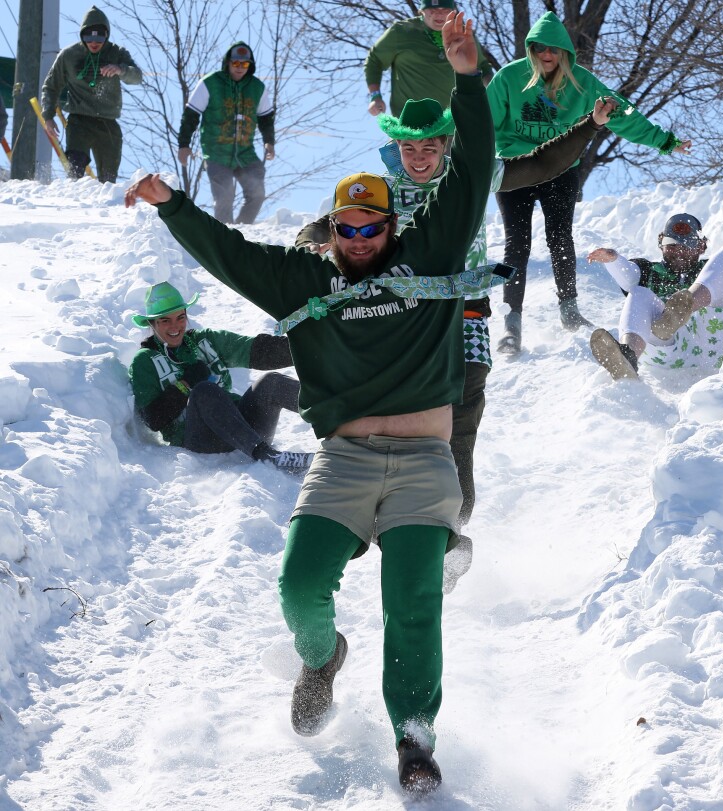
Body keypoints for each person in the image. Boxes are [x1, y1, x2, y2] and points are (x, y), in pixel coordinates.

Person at [125, 12, 496, 794]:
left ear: (393, 226)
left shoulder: (429, 253)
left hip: (425, 462)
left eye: (371, 224)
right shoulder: (306, 281)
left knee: (414, 604)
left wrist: (466, 80)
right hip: (345, 459)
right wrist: (172, 203)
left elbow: (471, 172)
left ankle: (413, 734)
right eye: (345, 226)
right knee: (299, 583)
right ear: (330, 232)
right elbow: (231, 255)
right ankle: (324, 657)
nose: (358, 235)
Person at [295, 94, 617, 592]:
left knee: (460, 421)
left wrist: (589, 126)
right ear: (397, 147)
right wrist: (309, 243)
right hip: (402, 323)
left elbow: (540, 164)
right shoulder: (382, 188)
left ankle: (453, 529)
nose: (420, 158)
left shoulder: (471, 175)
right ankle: (392, 523)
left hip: (464, 314)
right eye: (409, 149)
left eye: (429, 147)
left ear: (446, 144)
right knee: (404, 423)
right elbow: (328, 222)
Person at [487, 11, 692, 351]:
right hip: (516, 166)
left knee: (559, 237)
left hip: (560, 170)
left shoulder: (584, 83)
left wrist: (664, 141)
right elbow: (481, 120)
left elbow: (623, 115)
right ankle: (512, 320)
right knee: (516, 243)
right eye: (539, 49)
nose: (546, 55)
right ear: (531, 51)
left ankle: (569, 310)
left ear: (565, 52)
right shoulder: (510, 77)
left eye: (554, 50)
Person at [587, 210, 723, 379]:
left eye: (689, 245)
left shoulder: (716, 272)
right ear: (661, 244)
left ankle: (686, 304)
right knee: (638, 293)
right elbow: (628, 277)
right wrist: (613, 260)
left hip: (713, 345)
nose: (680, 251)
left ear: (702, 246)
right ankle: (628, 357)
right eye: (672, 245)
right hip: (666, 351)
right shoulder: (648, 271)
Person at [129, 281, 310, 469]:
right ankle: (269, 457)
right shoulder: (144, 361)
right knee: (203, 390)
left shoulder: (204, 340)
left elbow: (258, 351)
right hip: (201, 441)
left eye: (180, 317)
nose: (175, 326)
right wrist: (185, 384)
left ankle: (338, 416)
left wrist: (313, 348)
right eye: (165, 320)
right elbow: (152, 419)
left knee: (271, 382)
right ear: (152, 323)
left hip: (244, 430)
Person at [40, 5, 142, 183]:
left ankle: (104, 207)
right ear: (82, 35)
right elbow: (50, 86)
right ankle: (73, 200)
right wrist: (48, 116)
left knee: (109, 179)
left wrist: (120, 69)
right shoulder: (69, 56)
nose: (94, 43)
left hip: (108, 123)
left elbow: (137, 77)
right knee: (75, 169)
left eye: (100, 38)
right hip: (79, 120)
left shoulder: (116, 53)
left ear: (106, 36)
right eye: (88, 37)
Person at [177, 42, 275, 225]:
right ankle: (225, 237)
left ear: (250, 65)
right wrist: (184, 144)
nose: (239, 68)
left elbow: (266, 118)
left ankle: (242, 234)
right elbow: (190, 115)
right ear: (228, 63)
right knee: (225, 197)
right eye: (236, 63)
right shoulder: (210, 83)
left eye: (244, 64)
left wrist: (269, 141)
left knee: (257, 194)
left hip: (245, 153)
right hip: (216, 153)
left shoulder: (257, 88)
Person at [365, 0, 493, 117]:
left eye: (445, 10)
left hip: (455, 125)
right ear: (422, 10)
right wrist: (375, 96)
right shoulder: (401, 31)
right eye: (433, 10)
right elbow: (374, 60)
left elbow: (482, 67)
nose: (439, 15)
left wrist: (495, 95)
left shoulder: (462, 34)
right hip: (410, 126)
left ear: (453, 12)